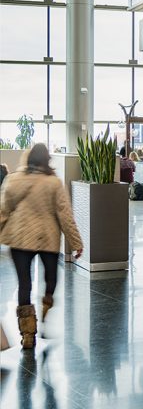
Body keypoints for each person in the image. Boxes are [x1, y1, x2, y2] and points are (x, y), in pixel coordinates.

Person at [0, 144, 84, 349]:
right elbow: (65, 215)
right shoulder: (53, 183)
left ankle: (27, 333)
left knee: (24, 283)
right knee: (51, 280)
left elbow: (3, 210)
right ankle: (45, 310)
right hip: (48, 238)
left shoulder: (13, 179)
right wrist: (76, 242)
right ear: (47, 160)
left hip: (20, 239)